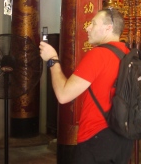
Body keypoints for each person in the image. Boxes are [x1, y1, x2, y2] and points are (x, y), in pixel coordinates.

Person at [39, 9, 133, 164]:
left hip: (96, 137)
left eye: (93, 23)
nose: (88, 27)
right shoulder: (128, 54)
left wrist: (52, 60)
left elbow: (63, 95)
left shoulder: (99, 55)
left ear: (108, 27)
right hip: (123, 138)